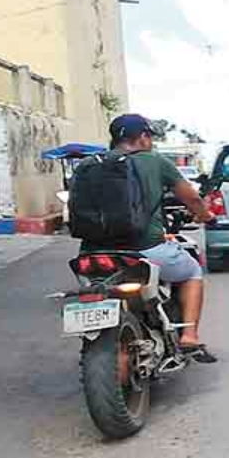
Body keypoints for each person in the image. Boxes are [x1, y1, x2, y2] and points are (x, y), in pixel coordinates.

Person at [83, 114, 218, 362]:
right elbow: (192, 199)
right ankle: (189, 337)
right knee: (192, 272)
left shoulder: (89, 164)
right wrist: (206, 216)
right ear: (144, 138)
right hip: (144, 249)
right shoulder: (155, 162)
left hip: (91, 253)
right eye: (150, 137)